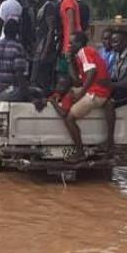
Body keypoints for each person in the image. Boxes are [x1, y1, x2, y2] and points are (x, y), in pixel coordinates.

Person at [54, 31, 112, 160]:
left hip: (96, 93)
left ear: (79, 44)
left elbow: (91, 72)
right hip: (98, 91)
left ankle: (79, 152)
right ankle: (64, 105)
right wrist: (69, 61)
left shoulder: (84, 52)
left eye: (71, 43)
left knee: (69, 118)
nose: (69, 45)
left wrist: (81, 94)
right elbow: (77, 81)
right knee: (71, 90)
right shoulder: (82, 54)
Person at [0, 19, 28, 97]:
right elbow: (19, 73)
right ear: (17, 32)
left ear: (4, 31)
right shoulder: (18, 47)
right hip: (9, 91)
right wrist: (25, 92)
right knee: (35, 93)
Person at [31, 0, 59, 93]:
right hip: (39, 47)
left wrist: (45, 51)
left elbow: (51, 30)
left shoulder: (49, 7)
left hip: (44, 48)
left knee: (41, 79)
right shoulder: (40, 8)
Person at [57, 0, 82, 78]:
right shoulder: (70, 0)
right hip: (72, 42)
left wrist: (69, 46)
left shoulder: (67, 0)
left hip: (69, 44)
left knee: (65, 74)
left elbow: (71, 22)